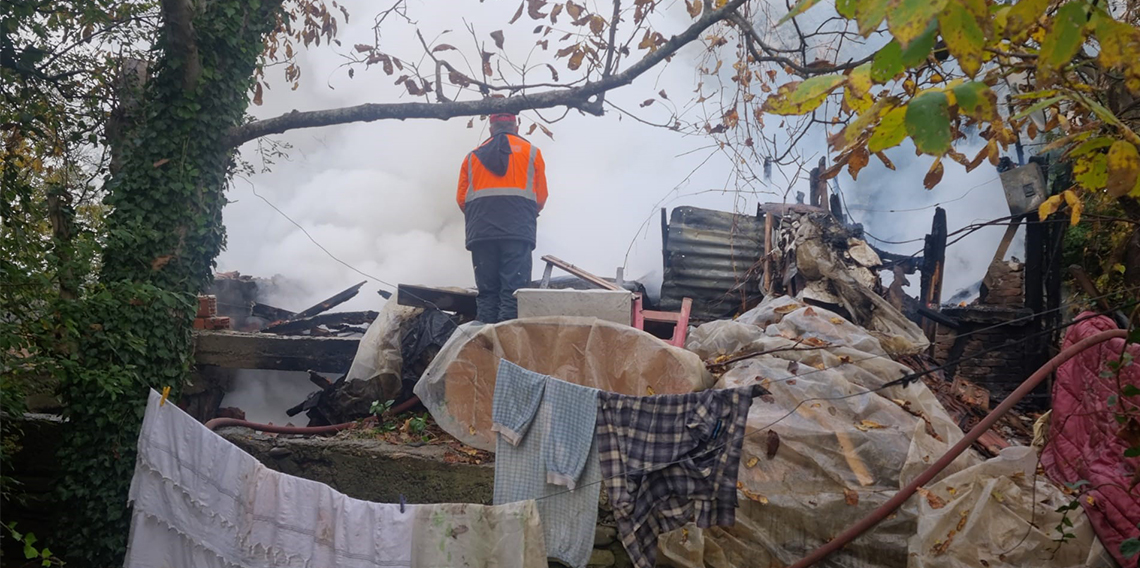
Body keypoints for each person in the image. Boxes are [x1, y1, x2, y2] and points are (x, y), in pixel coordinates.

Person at [456, 113, 548, 324]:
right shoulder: (532, 152)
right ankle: (505, 348)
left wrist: (483, 218)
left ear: (491, 129)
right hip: (517, 231)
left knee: (487, 293)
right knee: (513, 292)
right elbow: (541, 197)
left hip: (481, 233)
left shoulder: (471, 157)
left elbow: (462, 199)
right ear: (516, 126)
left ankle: (486, 346)